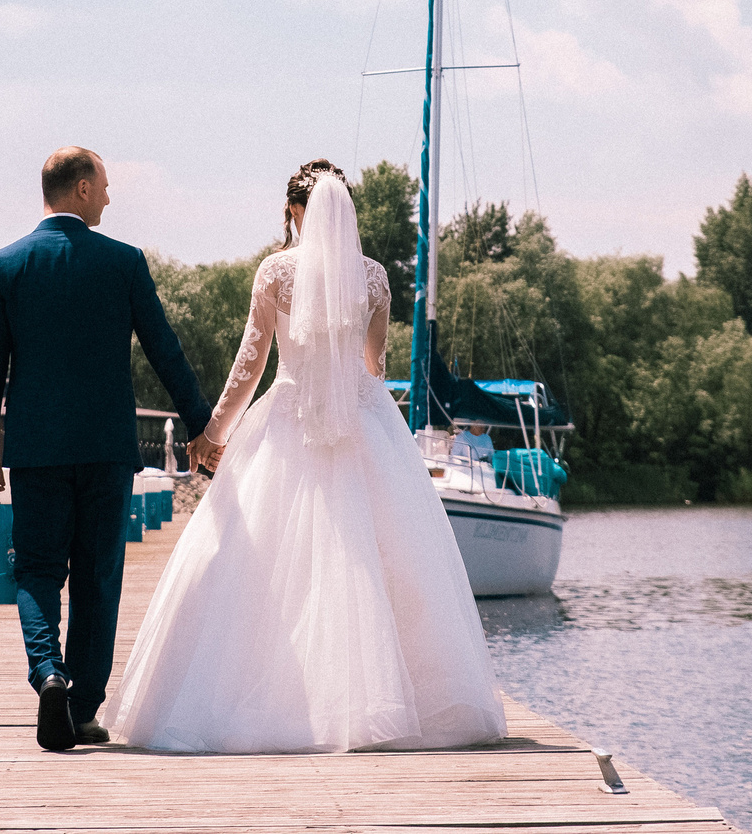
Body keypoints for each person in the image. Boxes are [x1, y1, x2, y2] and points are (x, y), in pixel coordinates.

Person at [103, 160, 507, 753]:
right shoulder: (372, 278)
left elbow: (250, 366)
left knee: (256, 564)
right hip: (364, 422)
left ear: (295, 211)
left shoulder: (275, 272)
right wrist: (349, 388)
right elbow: (375, 366)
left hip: (287, 418)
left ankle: (275, 703)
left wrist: (212, 433)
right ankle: (395, 705)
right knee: (378, 561)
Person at [0, 147, 220, 753]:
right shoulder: (123, 263)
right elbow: (166, 349)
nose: (109, 197)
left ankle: (47, 674)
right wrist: (202, 427)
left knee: (35, 572)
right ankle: (81, 711)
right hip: (107, 450)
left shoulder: (6, 266)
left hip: (35, 452)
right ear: (80, 189)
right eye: (104, 186)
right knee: (97, 579)